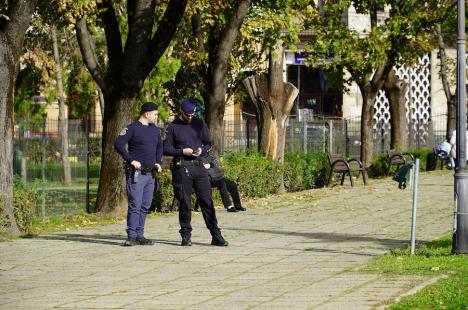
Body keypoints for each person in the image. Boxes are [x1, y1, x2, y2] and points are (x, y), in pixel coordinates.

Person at [163, 98, 228, 247]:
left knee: (207, 201)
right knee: (185, 203)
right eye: (187, 115)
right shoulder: (173, 126)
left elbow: (208, 143)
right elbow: (166, 148)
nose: (190, 117)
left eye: (192, 114)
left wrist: (201, 150)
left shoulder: (200, 123)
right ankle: (186, 236)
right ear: (182, 112)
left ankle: (216, 235)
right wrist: (181, 151)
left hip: (199, 166)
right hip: (182, 167)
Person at [114, 102, 163, 246]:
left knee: (145, 205)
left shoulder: (155, 130)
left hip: (150, 174)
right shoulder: (132, 128)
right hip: (136, 174)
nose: (156, 117)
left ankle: (140, 235)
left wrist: (158, 162)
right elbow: (118, 144)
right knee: (135, 204)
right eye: (155, 114)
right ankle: (131, 236)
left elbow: (160, 147)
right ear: (147, 114)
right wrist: (130, 160)